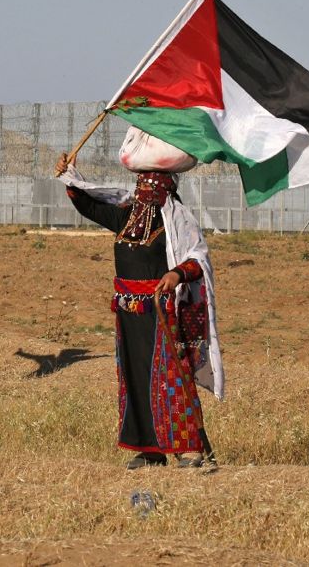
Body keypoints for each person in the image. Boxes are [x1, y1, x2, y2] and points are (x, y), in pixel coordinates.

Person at [55, 150, 224, 470]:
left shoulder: (177, 220)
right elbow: (88, 204)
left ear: (166, 189)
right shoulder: (125, 216)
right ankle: (150, 451)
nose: (145, 192)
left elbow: (198, 257)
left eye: (152, 186)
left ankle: (189, 449)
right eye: (141, 185)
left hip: (161, 312)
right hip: (128, 311)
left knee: (172, 377)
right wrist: (69, 175)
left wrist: (177, 274)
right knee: (135, 377)